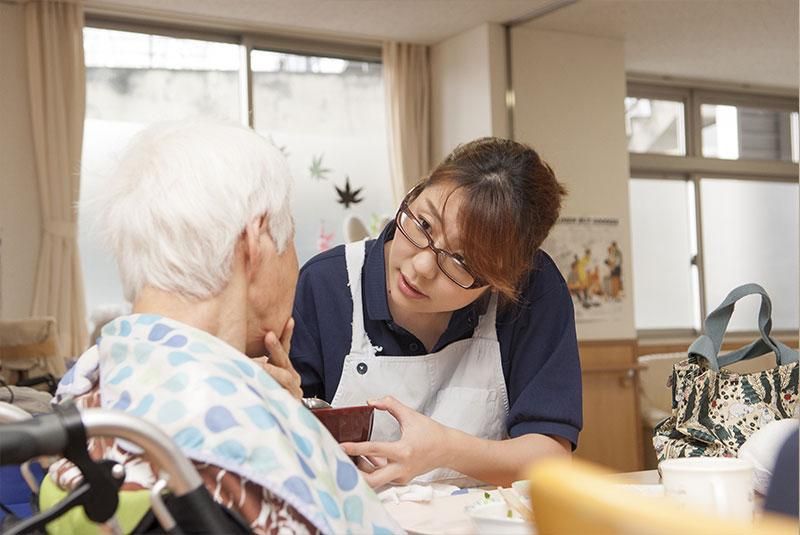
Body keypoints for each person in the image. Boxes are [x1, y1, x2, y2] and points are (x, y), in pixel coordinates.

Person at [46, 121, 399, 534]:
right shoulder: (248, 444)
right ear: (256, 242)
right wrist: (283, 426)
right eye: (290, 243)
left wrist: (283, 409)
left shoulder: (90, 388)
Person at [291, 137, 582, 488]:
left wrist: (447, 449)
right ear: (415, 194)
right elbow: (285, 442)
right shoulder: (326, 285)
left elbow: (549, 457)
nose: (423, 265)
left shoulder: (532, 290)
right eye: (424, 225)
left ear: (503, 279)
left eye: (461, 261)